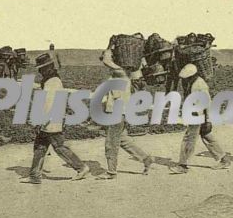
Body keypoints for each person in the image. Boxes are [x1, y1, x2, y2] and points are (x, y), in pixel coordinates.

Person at [23, 53, 89, 184]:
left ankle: (81, 167)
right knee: (40, 146)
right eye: (39, 68)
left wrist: (40, 121)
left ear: (49, 67)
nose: (40, 71)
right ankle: (35, 175)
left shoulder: (53, 82)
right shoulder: (50, 80)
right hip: (51, 119)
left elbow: (49, 103)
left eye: (42, 68)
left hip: (51, 120)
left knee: (59, 146)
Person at [169, 64, 231, 174]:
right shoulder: (192, 83)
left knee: (188, 139)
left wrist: (207, 119)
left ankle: (183, 165)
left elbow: (207, 103)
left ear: (192, 75)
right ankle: (224, 159)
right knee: (206, 136)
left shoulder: (200, 85)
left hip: (198, 115)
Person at [97, 68, 153, 180]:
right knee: (123, 140)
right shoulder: (125, 78)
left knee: (111, 143)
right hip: (121, 112)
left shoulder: (118, 79)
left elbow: (114, 97)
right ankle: (145, 158)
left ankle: (111, 172)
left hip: (115, 113)